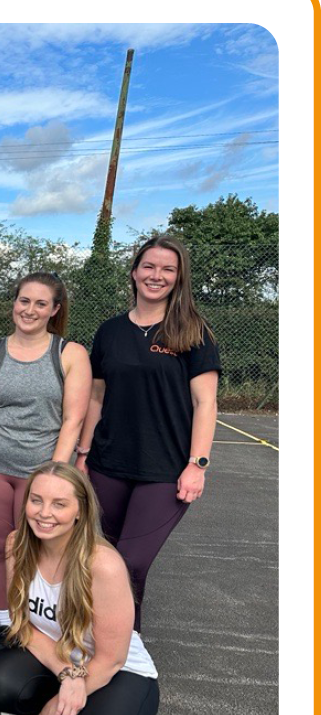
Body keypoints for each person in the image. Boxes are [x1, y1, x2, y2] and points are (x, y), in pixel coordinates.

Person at [0, 462, 160, 715]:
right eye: (36, 500)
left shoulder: (103, 565)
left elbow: (111, 658)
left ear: (80, 511)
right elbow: (23, 624)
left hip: (116, 669)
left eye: (59, 504)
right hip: (59, 657)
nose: (44, 513)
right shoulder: (17, 545)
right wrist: (67, 675)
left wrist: (52, 709)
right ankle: (65, 712)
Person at [76, 236, 220, 631]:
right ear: (135, 272)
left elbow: (205, 403)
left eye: (167, 269)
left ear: (179, 278)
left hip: (166, 470)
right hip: (108, 464)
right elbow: (97, 396)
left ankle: (122, 652)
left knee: (131, 562)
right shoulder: (110, 331)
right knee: (101, 559)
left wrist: (197, 464)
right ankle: (109, 645)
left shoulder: (194, 331)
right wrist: (83, 452)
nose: (156, 276)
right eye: (149, 267)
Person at [0, 273, 91, 633]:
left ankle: (42, 622)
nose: (29, 310)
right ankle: (8, 624)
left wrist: (54, 477)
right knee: (0, 547)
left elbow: (73, 419)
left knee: (42, 550)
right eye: (24, 301)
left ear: (54, 310)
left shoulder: (70, 354)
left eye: (40, 303)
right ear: (14, 304)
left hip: (40, 472)